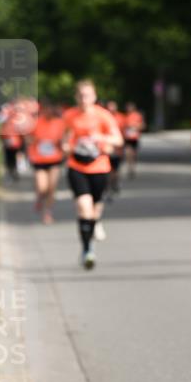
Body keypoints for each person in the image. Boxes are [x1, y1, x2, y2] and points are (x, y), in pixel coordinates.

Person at [62, 80, 123, 269]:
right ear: (76, 97)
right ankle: (87, 249)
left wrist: (101, 138)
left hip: (99, 167)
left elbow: (118, 139)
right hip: (77, 166)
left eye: (87, 95)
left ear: (94, 97)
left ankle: (94, 227)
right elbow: (64, 139)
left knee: (95, 210)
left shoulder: (103, 116)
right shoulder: (70, 116)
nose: (84, 99)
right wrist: (66, 146)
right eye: (80, 96)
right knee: (83, 206)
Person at [27, 102, 68, 223]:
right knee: (42, 186)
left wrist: (62, 143)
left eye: (51, 109)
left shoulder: (60, 123)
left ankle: (47, 212)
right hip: (39, 159)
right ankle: (40, 197)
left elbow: (65, 138)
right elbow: (28, 138)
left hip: (55, 159)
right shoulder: (36, 123)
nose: (48, 112)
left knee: (52, 187)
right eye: (46, 109)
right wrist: (36, 140)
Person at [121, 101, 145, 179]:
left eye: (130, 107)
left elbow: (142, 126)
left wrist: (135, 127)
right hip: (127, 138)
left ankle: (133, 167)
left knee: (134, 154)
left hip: (134, 138)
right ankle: (129, 168)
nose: (129, 109)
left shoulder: (137, 115)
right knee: (128, 153)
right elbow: (122, 127)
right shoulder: (125, 116)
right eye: (128, 107)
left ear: (133, 108)